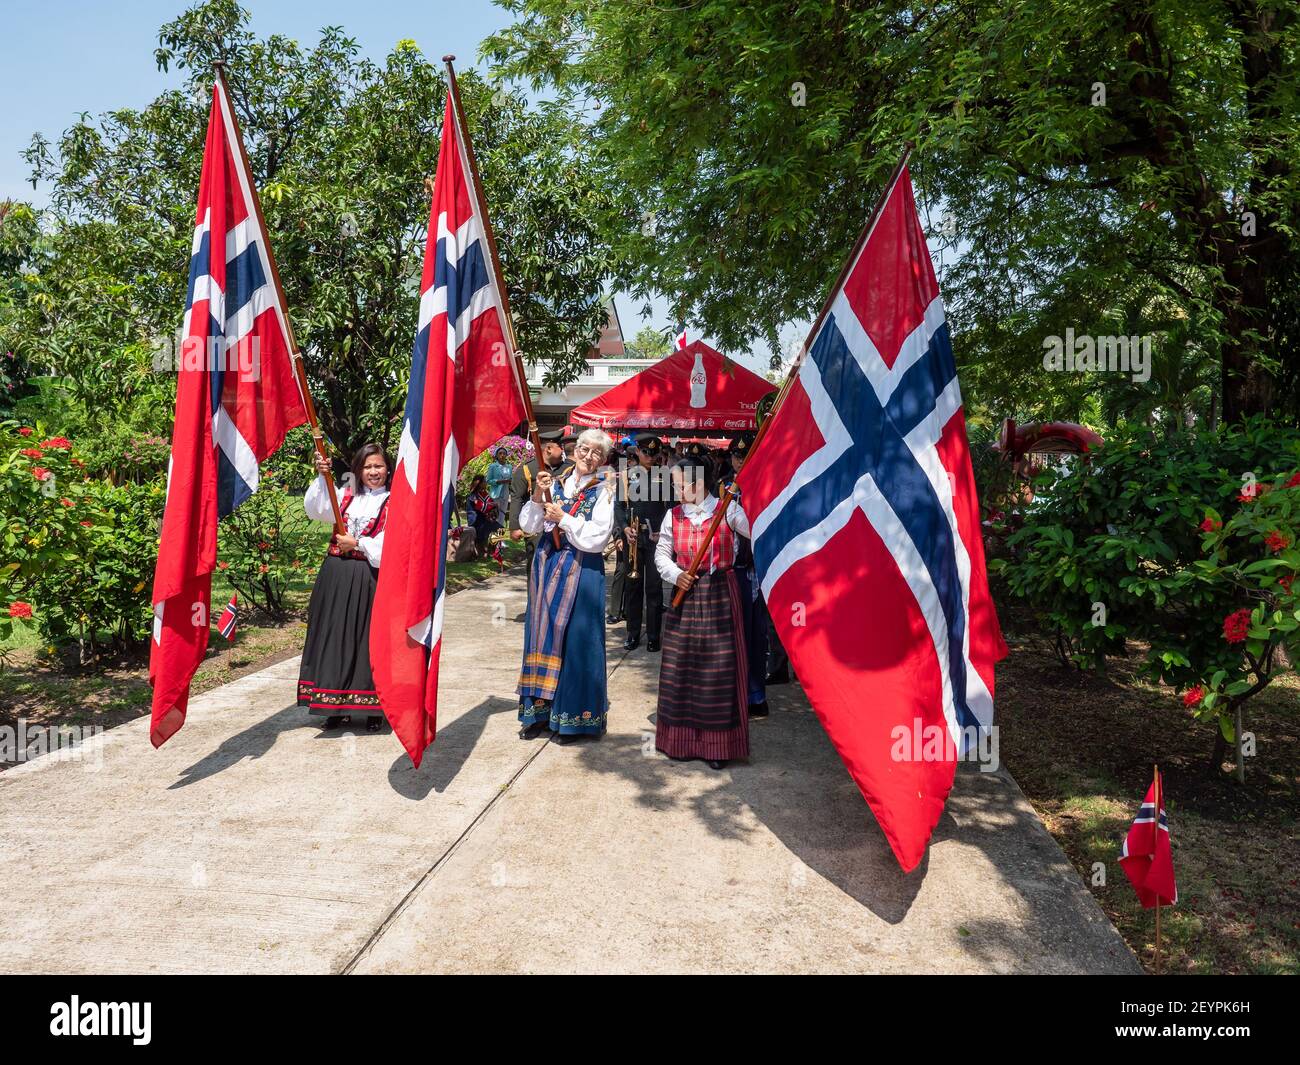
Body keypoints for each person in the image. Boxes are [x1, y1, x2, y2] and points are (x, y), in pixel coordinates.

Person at [516, 429, 616, 744]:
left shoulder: (604, 491)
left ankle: (574, 720)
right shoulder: (554, 484)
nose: (588, 456)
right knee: (541, 637)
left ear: (603, 460)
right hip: (547, 569)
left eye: (596, 453)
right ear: (574, 451)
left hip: (582, 571)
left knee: (577, 642)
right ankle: (539, 714)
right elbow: (530, 526)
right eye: (584, 449)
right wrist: (536, 497)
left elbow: (598, 539)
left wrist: (564, 519)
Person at [654, 456, 752, 770]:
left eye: (681, 484)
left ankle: (717, 747)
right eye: (676, 485)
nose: (678, 490)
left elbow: (757, 529)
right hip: (685, 594)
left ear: (699, 483)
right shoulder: (672, 515)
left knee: (719, 670)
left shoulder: (729, 510)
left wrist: (749, 500)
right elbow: (661, 554)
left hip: (721, 592)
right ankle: (679, 742)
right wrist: (674, 574)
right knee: (679, 669)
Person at [298, 444, 391, 732]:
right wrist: (322, 476)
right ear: (358, 470)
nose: (373, 472)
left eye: (379, 466)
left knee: (368, 638)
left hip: (369, 576)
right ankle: (335, 705)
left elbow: (394, 544)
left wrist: (359, 543)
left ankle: (374, 706)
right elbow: (318, 510)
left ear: (388, 469)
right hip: (336, 575)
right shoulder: (346, 496)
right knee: (335, 636)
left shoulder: (394, 501)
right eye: (367, 467)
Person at [718, 435, 768, 716]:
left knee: (757, 636)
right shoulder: (724, 486)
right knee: (734, 636)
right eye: (736, 456)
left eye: (744, 454)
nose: (739, 460)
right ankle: (737, 695)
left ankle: (756, 695)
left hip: (758, 568)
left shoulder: (766, 482)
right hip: (734, 567)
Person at [614, 433, 670, 651]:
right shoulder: (627, 476)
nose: (650, 457)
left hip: (656, 538)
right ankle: (633, 633)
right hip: (633, 538)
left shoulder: (664, 476)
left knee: (654, 589)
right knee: (633, 587)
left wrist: (665, 533)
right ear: (637, 452)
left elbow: (670, 508)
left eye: (654, 453)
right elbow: (618, 507)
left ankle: (654, 636)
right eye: (646, 452)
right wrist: (624, 529)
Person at [508, 430, 574, 566]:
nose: (563, 450)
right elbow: (517, 498)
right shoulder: (526, 469)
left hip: (564, 528)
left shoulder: (570, 468)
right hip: (537, 528)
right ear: (549, 449)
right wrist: (514, 527)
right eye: (559, 447)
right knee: (536, 569)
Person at [605, 435, 637, 623]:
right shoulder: (621, 479)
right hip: (624, 531)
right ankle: (615, 610)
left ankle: (629, 610)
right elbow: (616, 510)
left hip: (641, 533)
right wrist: (618, 534)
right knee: (621, 570)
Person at [466, 474, 501, 554]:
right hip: (476, 522)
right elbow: (481, 506)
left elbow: (490, 503)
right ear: (480, 483)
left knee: (501, 529)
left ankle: (491, 550)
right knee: (486, 530)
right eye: (485, 481)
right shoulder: (472, 496)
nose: (486, 483)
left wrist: (493, 506)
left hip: (484, 520)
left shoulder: (484, 493)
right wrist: (493, 505)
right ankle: (483, 550)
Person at [486, 446, 513, 518]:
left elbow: (511, 478)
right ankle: (494, 528)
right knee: (495, 513)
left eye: (504, 453)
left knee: (503, 513)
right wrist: (498, 481)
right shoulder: (493, 466)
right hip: (496, 493)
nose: (502, 455)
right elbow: (488, 480)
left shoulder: (509, 467)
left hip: (506, 493)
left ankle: (500, 528)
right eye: (500, 453)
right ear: (497, 456)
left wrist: (510, 481)